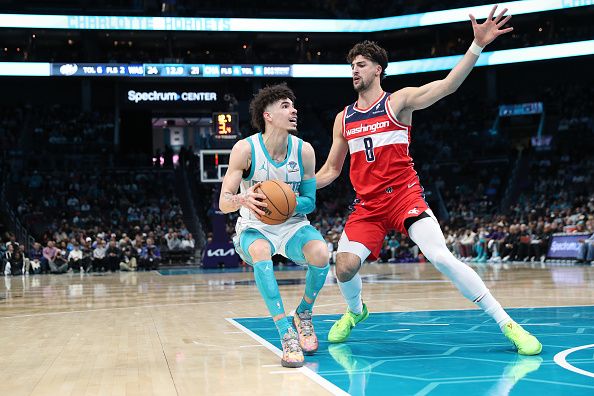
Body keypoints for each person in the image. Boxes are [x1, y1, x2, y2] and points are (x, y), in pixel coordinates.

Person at [315, 6, 541, 355]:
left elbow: (448, 86)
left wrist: (477, 46)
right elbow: (330, 170)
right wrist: (296, 186)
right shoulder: (343, 118)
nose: (354, 71)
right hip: (369, 206)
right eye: (352, 66)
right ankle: (356, 311)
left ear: (378, 69)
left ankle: (507, 324)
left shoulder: (399, 102)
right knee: (343, 267)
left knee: (441, 257)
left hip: (404, 197)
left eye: (361, 65)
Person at [219, 83, 330, 368]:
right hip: (254, 226)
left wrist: (289, 201)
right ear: (267, 115)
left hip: (291, 224)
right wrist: (243, 198)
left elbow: (310, 202)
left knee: (321, 253)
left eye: (293, 106)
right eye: (285, 106)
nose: (293, 110)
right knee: (260, 251)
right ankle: (286, 334)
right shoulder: (245, 149)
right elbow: (223, 202)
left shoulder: (304, 151)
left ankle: (303, 314)